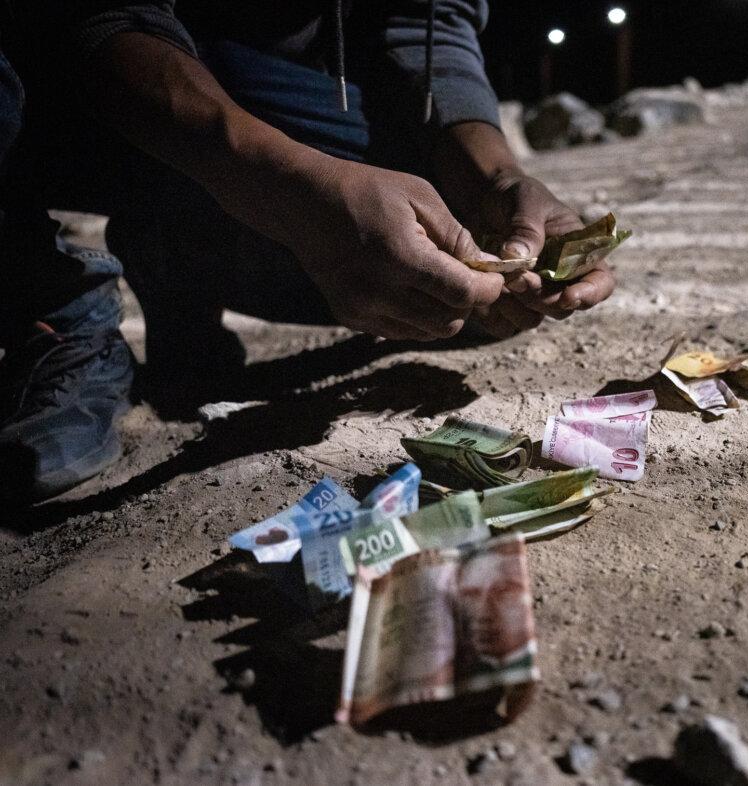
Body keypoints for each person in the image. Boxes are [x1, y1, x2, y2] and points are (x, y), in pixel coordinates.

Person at [0, 1, 616, 503]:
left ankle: (176, 241)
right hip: (62, 60)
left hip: (246, 70)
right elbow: (91, 18)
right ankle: (52, 307)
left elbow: (427, 21)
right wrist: (291, 190)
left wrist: (495, 182)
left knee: (437, 274)